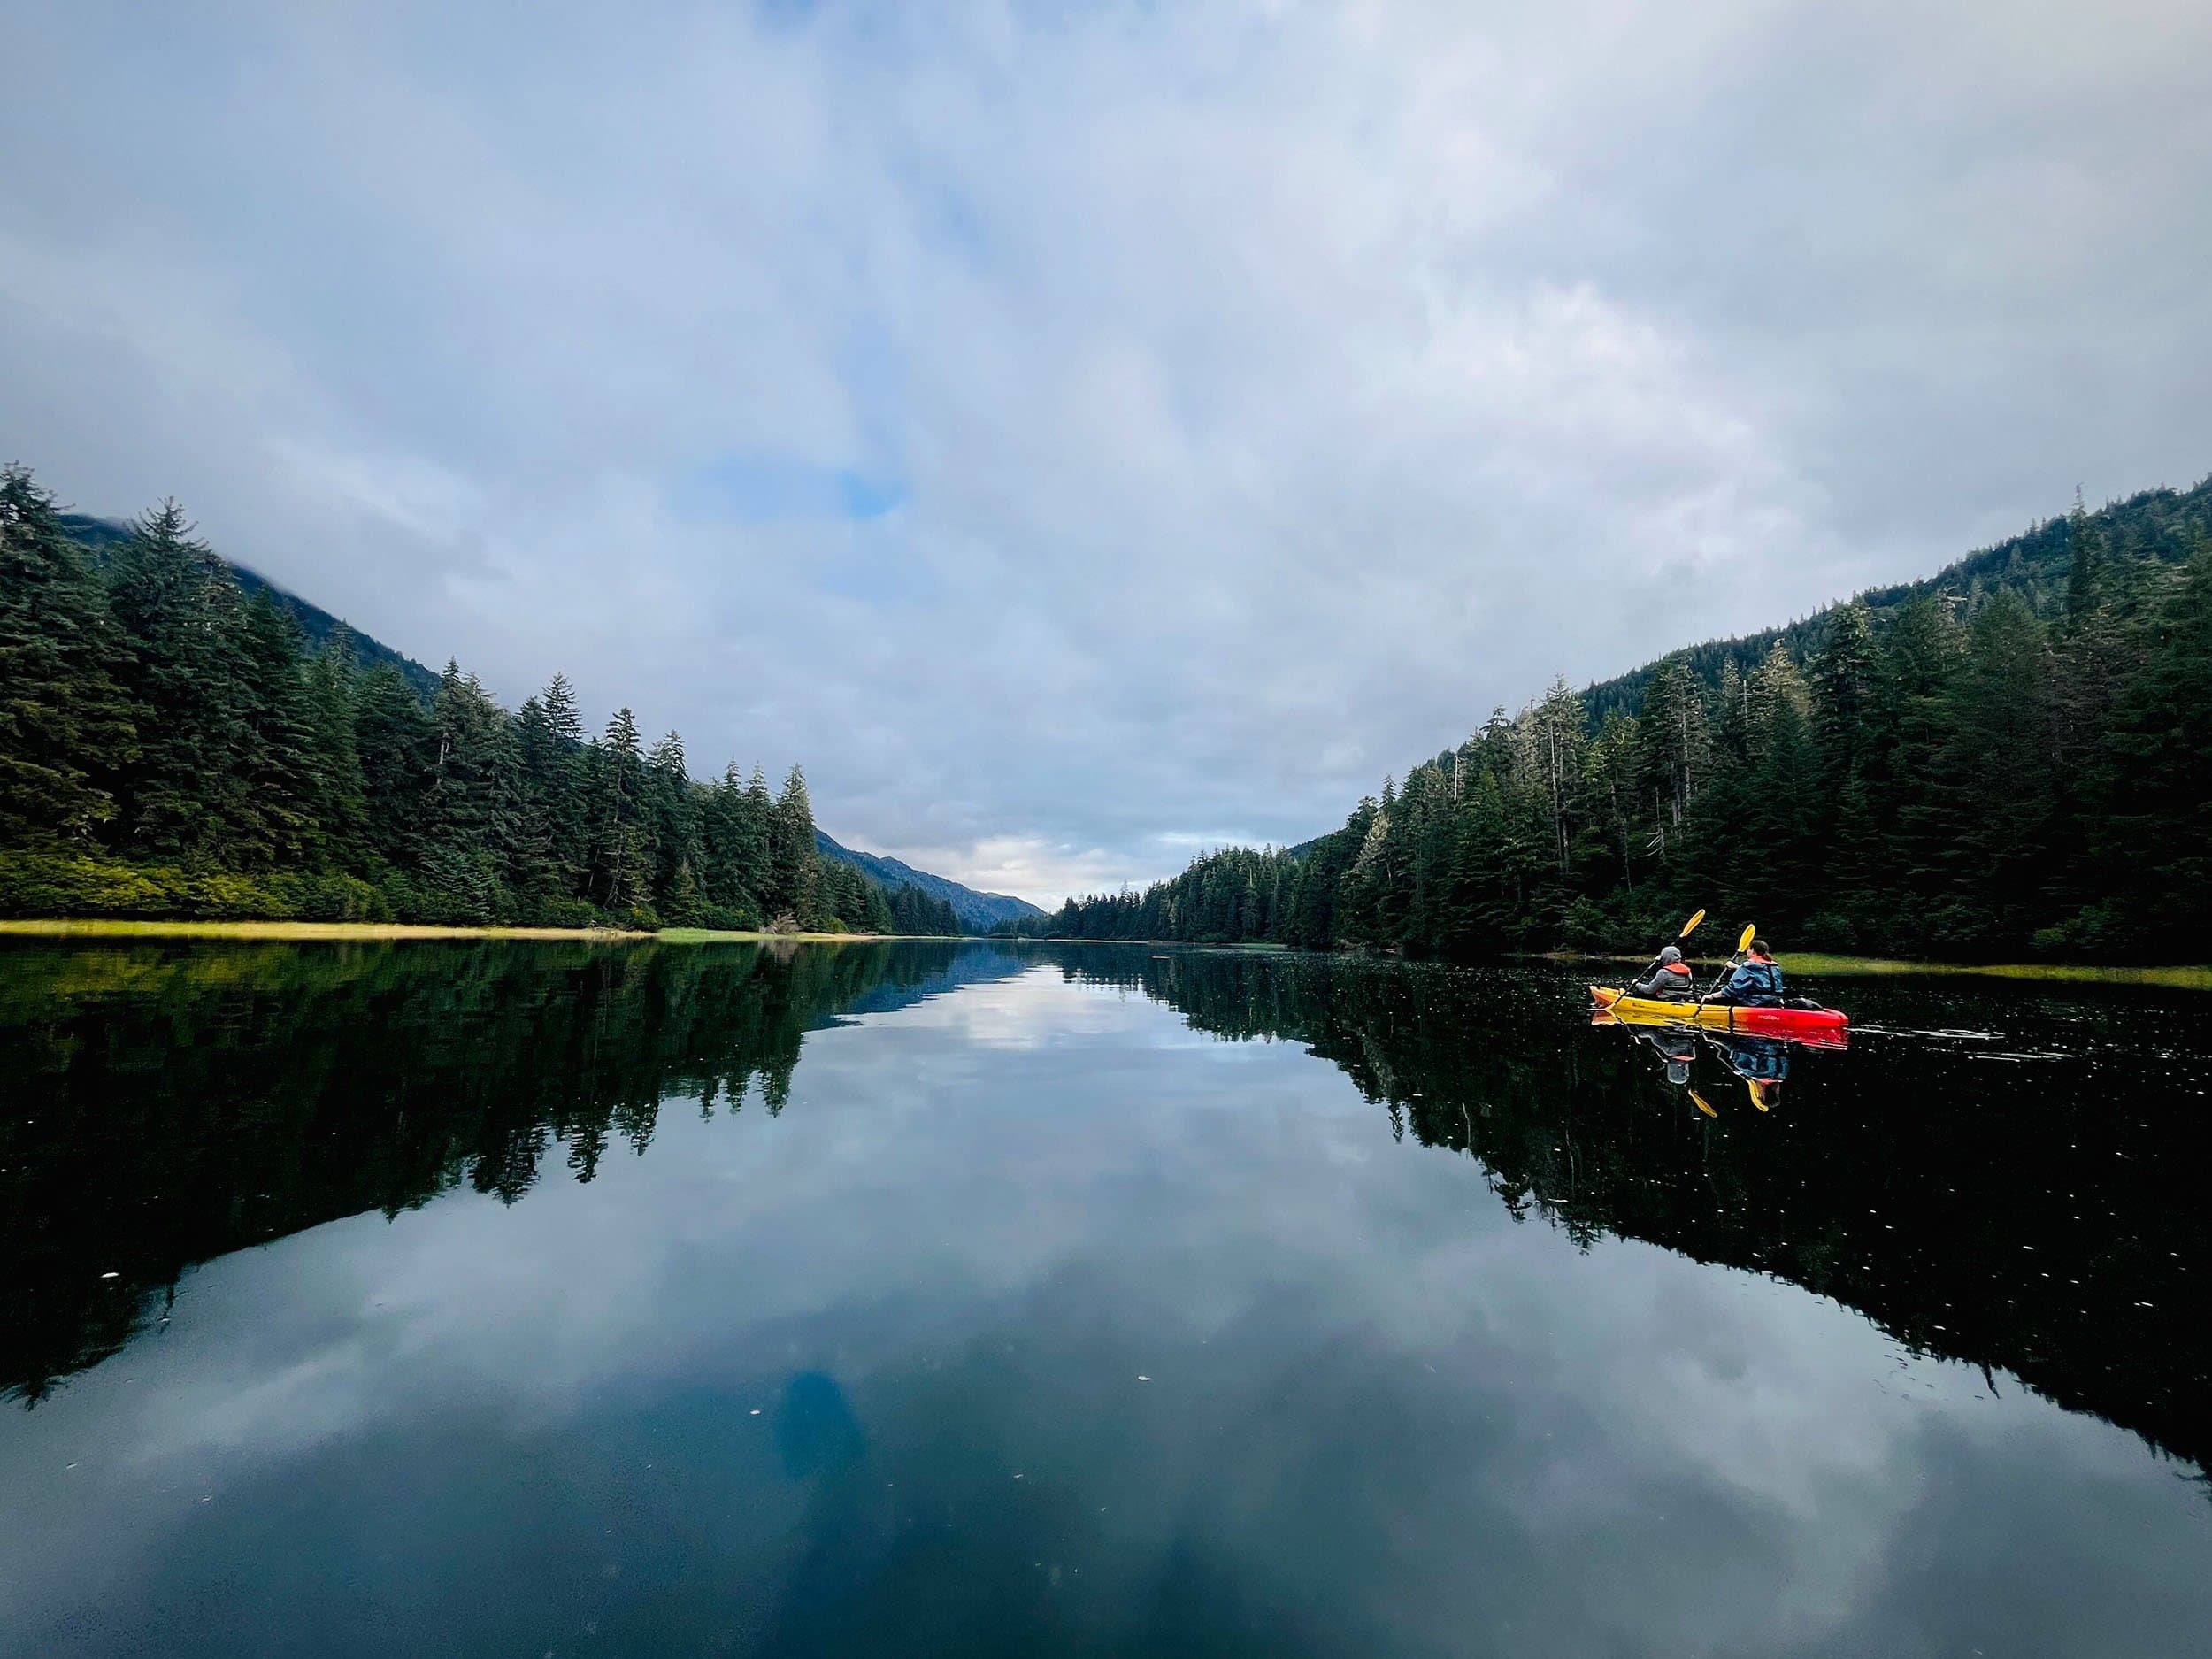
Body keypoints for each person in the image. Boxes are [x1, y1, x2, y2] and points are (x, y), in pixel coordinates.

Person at [1715, 938, 1786, 1007]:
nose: (1746, 951)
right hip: (1776, 1001)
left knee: (1720, 998)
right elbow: (1758, 973)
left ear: (1753, 951)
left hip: (1755, 1003)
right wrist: (1737, 967)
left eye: (1748, 949)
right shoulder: (1775, 967)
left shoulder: (1748, 966)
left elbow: (1733, 989)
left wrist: (1712, 996)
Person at [1629, 944, 1694, 1001]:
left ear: (1664, 957)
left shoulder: (1664, 972)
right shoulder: (1687, 971)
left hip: (1667, 1000)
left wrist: (1636, 984)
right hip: (1684, 999)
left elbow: (1649, 990)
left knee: (1639, 993)